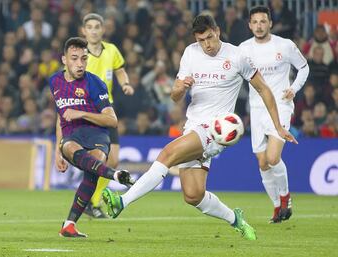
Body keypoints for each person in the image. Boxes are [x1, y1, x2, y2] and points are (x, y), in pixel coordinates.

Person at [103, 14, 298, 241]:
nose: (206, 44)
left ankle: (121, 202)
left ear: (217, 32)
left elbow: (264, 89)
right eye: (201, 40)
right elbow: (175, 96)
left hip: (217, 130)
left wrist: (278, 126)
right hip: (193, 126)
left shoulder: (237, 56)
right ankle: (236, 220)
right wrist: (180, 88)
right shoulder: (190, 52)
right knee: (193, 195)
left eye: (209, 38)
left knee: (166, 154)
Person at [50, 37, 134, 238]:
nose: (80, 64)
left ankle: (69, 226)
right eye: (74, 58)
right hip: (72, 135)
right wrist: (56, 151)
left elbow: (112, 120)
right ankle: (114, 175)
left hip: (97, 133)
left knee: (93, 169)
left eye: (84, 59)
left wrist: (81, 113)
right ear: (64, 59)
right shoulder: (54, 81)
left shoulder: (95, 84)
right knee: (68, 147)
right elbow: (60, 115)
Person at [239, 6, 309, 223]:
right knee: (262, 163)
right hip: (257, 109)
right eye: (255, 22)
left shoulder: (285, 45)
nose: (259, 26)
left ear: (270, 23)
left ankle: (286, 196)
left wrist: (294, 89)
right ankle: (277, 208)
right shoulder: (243, 49)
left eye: (263, 21)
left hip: (281, 106)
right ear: (250, 25)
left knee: (272, 157)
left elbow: (304, 67)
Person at [81, 13, 135, 219]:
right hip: (88, 112)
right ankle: (89, 201)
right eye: (90, 27)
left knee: (113, 160)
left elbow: (119, 70)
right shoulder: (79, 54)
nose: (94, 30)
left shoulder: (111, 50)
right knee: (97, 159)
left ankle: (91, 202)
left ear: (103, 29)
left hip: (107, 110)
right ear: (84, 30)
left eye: (97, 27)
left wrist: (126, 84)